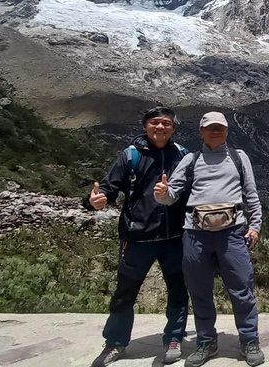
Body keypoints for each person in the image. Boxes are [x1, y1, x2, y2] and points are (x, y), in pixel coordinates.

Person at [154, 111, 265, 367]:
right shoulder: (191, 160)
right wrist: (162, 194)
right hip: (195, 235)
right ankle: (206, 341)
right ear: (201, 132)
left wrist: (255, 226)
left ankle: (249, 340)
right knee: (199, 291)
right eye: (210, 128)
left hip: (232, 233)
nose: (216, 132)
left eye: (220, 128)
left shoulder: (239, 158)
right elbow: (171, 195)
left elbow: (251, 194)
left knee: (242, 289)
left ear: (226, 131)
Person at [86, 106, 190, 366]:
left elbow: (194, 190)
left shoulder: (182, 155)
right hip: (137, 238)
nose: (160, 127)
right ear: (145, 126)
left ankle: (174, 338)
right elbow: (109, 187)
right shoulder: (131, 156)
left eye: (166, 123)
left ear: (174, 128)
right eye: (154, 122)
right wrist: (96, 200)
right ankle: (115, 342)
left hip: (175, 238)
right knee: (125, 293)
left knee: (178, 291)